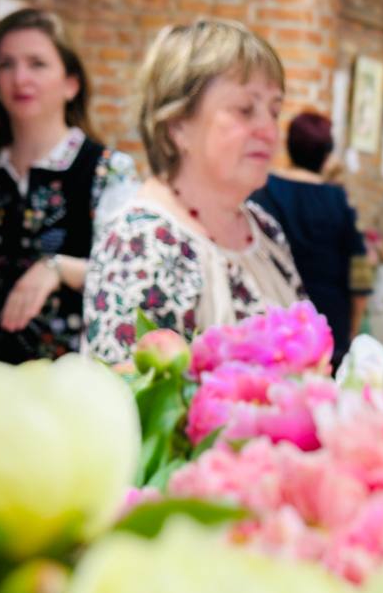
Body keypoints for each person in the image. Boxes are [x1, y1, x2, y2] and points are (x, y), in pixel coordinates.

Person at [0, 9, 137, 369]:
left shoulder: (107, 171)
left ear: (71, 84)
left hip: (66, 382)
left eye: (37, 64)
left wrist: (57, 269)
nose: (20, 78)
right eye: (6, 64)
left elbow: (128, 277)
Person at [83, 19, 303, 363]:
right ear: (178, 126)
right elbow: (123, 390)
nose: (269, 131)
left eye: (274, 112)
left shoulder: (263, 229)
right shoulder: (140, 242)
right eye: (245, 110)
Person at [251, 111, 371, 368]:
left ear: (289, 145)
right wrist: (354, 325)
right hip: (330, 321)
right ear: (327, 153)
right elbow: (359, 268)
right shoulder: (338, 200)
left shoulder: (265, 190)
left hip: (279, 315)